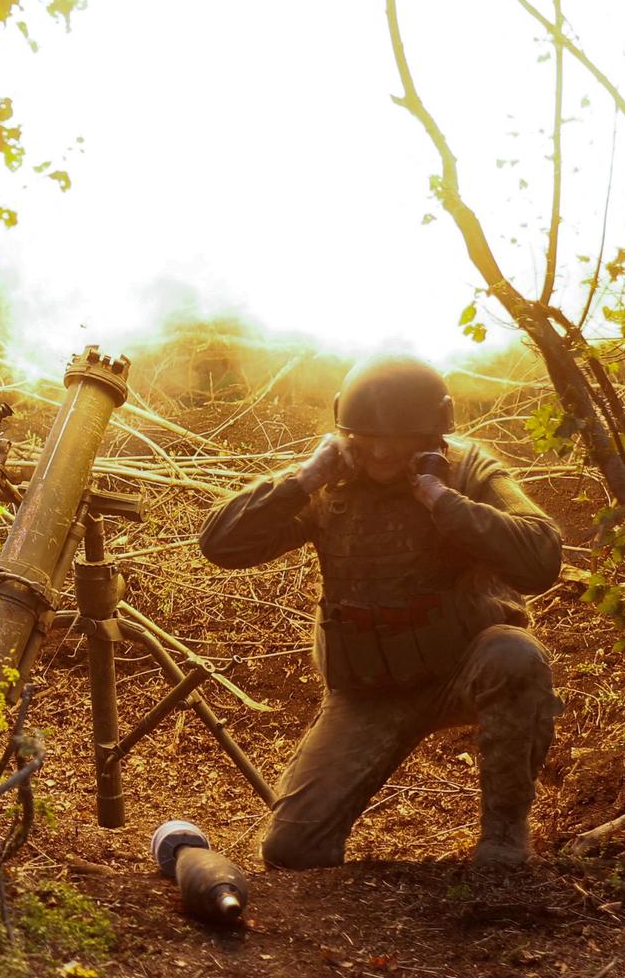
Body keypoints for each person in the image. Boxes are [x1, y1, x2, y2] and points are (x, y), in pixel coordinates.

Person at [198, 354, 562, 868]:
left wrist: (444, 502)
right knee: (293, 850)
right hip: (370, 689)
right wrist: (302, 479)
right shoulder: (328, 485)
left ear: (434, 433)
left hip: (463, 665)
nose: (384, 450)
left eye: (402, 437)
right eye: (367, 436)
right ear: (346, 431)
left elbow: (542, 557)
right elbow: (219, 545)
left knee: (514, 654)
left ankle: (504, 835)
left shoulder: (467, 469)